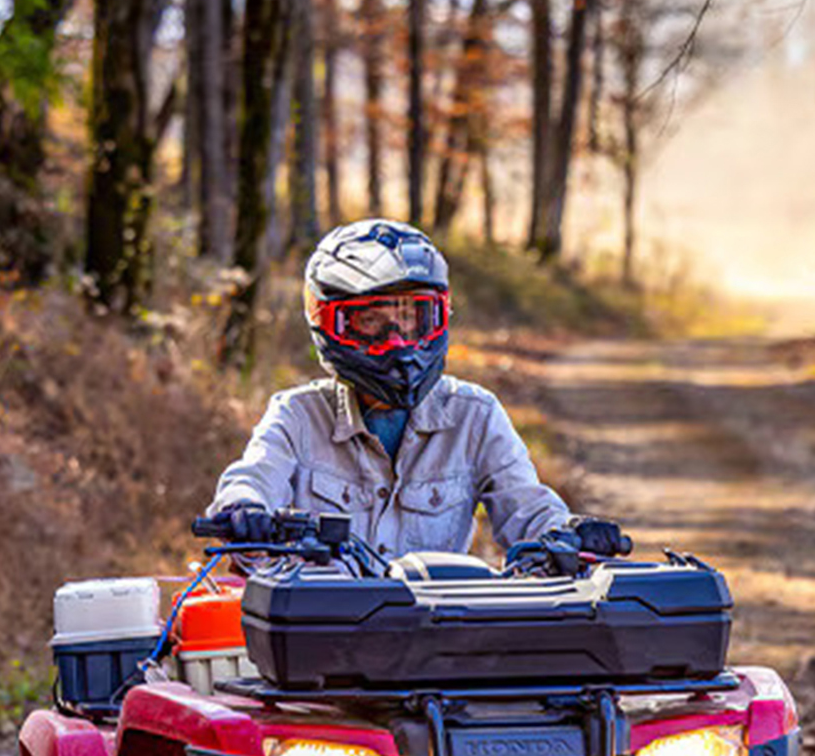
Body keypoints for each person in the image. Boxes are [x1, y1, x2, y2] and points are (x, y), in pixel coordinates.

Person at [205, 219, 627, 562]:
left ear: (441, 317)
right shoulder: (297, 416)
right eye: (373, 320)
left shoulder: (473, 415)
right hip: (322, 642)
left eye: (413, 318)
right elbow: (253, 476)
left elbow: (528, 507)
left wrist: (569, 532)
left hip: (439, 645)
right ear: (329, 324)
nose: (399, 339)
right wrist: (245, 511)